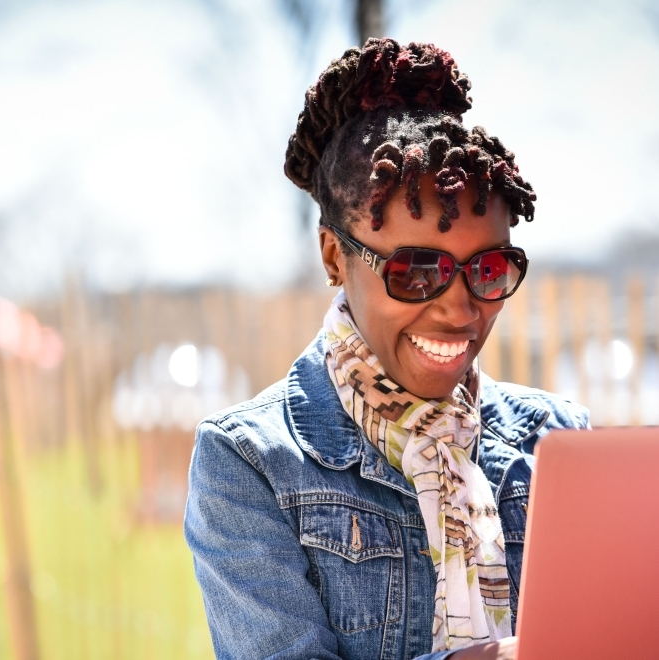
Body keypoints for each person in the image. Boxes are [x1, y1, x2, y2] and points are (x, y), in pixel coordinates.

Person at [184, 38, 590, 660]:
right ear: (333, 257)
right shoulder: (249, 463)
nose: (459, 309)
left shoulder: (559, 443)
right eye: (417, 272)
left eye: (488, 270)